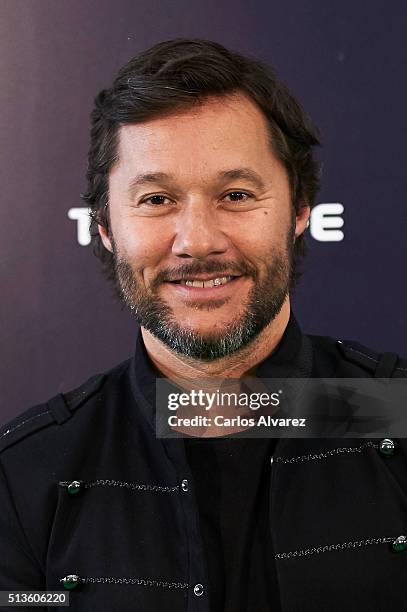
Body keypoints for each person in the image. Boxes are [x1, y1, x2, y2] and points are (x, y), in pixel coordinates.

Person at [0, 38, 406, 612]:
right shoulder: (27, 476)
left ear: (299, 209)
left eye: (236, 195)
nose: (198, 241)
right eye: (158, 198)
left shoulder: (395, 416)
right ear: (107, 227)